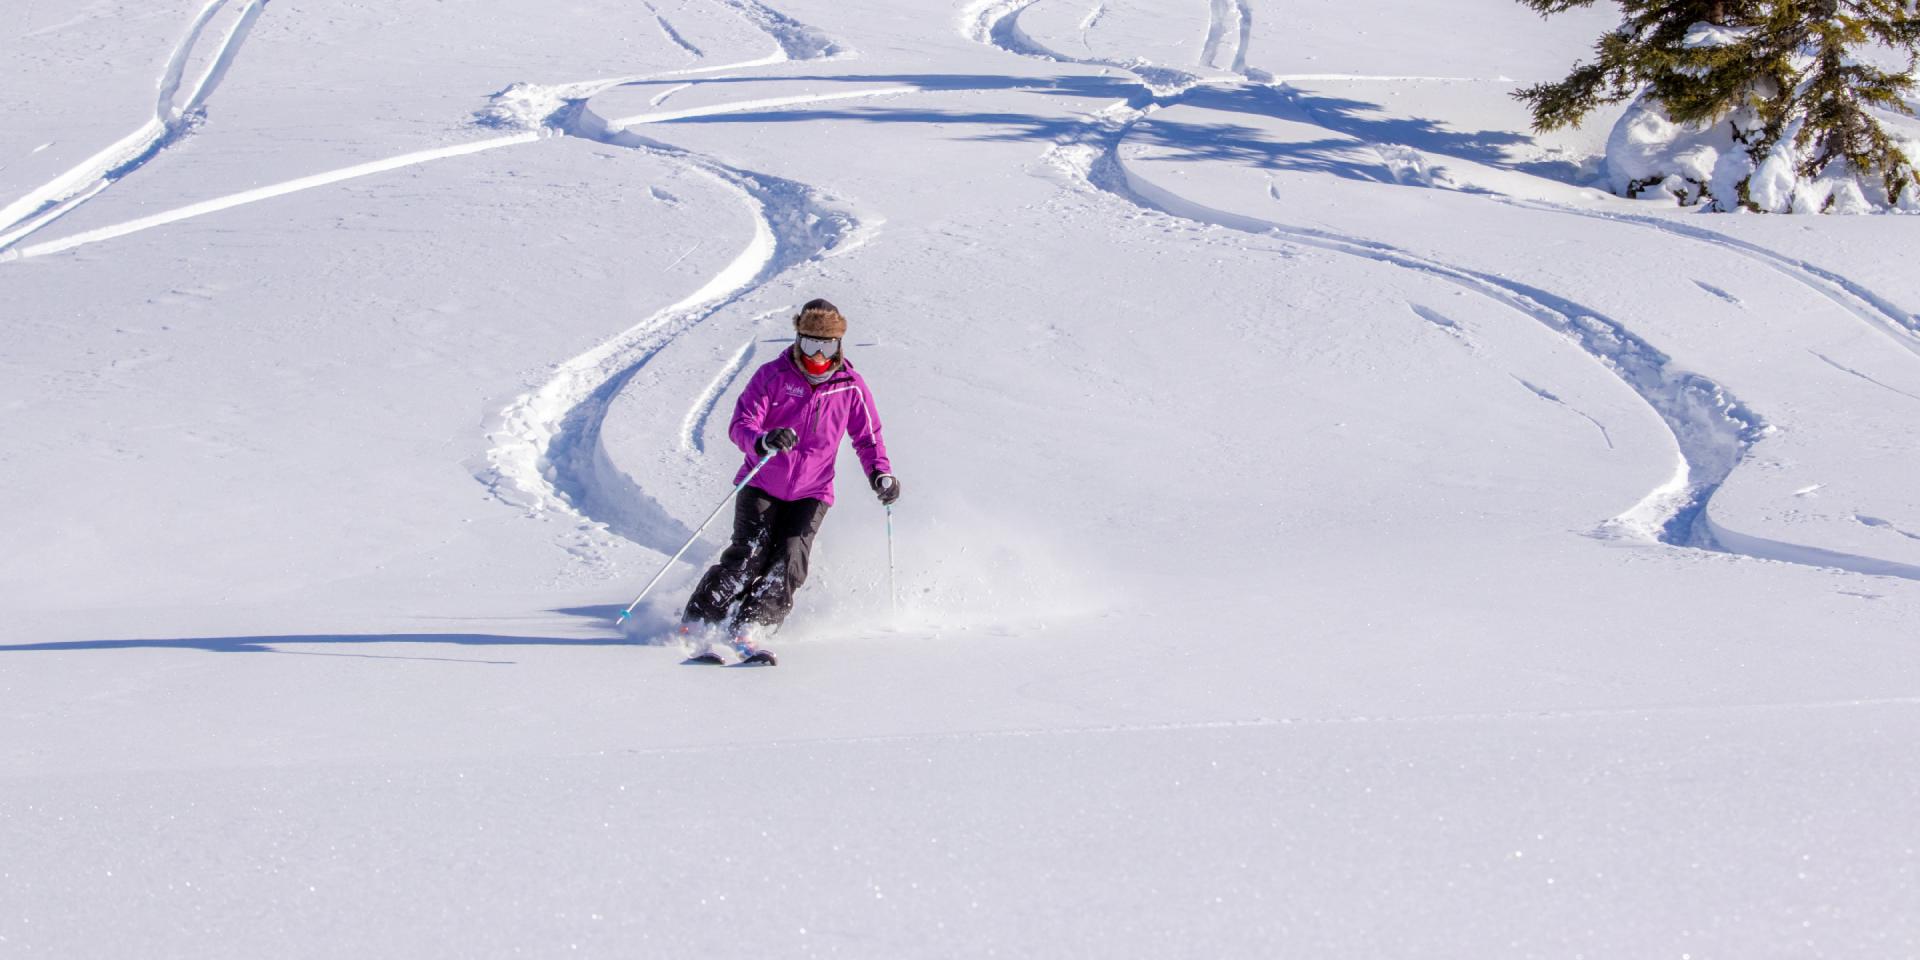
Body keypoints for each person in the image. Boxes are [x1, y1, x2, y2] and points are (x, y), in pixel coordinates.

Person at [679, 298, 899, 665]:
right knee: (748, 555)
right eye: (810, 343)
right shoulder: (773, 375)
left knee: (790, 561)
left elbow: (868, 437)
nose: (817, 354)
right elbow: (742, 423)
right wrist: (763, 440)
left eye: (826, 345)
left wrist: (881, 472)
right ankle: (700, 620)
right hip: (761, 481)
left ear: (838, 345)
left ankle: (752, 627)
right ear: (798, 340)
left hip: (812, 491)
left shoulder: (849, 385)